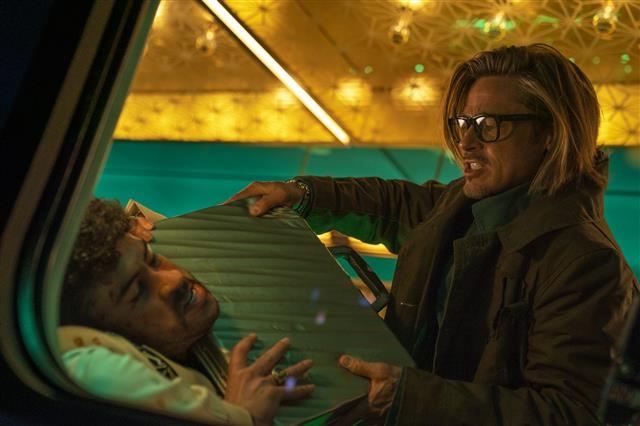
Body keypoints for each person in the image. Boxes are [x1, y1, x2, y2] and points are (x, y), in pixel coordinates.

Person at [225, 43, 639, 424]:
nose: (465, 142)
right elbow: (388, 203)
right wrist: (302, 194)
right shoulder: (462, 205)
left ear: (551, 133)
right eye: (462, 123)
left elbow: (570, 414)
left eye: (488, 125)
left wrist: (409, 396)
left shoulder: (588, 264)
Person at [59, 198, 315, 426]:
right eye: (138, 292)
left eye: (152, 258)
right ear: (103, 334)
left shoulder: (125, 242)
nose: (174, 279)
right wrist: (241, 416)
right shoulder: (100, 375)